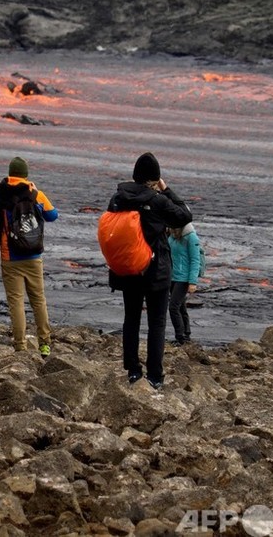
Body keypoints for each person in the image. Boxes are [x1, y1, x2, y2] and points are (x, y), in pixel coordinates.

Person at [107, 152, 192, 389]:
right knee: (157, 323)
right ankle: (155, 376)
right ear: (154, 179)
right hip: (156, 270)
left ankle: (133, 370)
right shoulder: (158, 200)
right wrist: (166, 190)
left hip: (128, 270)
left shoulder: (118, 198)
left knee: (131, 320)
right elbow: (185, 216)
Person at [0, 156, 59, 356]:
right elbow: (53, 215)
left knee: (16, 302)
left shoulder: (1, 198)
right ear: (25, 175)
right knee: (38, 299)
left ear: (10, 175)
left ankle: (20, 346)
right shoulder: (35, 193)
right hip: (34, 255)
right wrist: (36, 193)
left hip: (10, 258)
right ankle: (44, 342)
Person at [167, 222, 202, 346]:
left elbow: (195, 259)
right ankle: (186, 334)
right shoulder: (171, 235)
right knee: (181, 307)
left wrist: (192, 281)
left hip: (184, 279)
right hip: (172, 277)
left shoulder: (191, 237)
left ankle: (180, 337)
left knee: (173, 307)